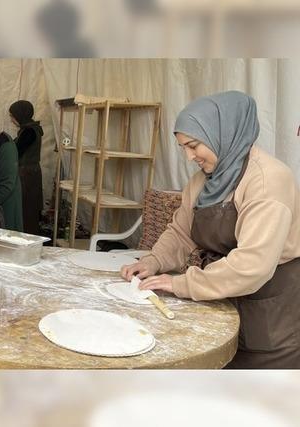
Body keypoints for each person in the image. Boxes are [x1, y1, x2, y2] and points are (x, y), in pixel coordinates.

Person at [121, 91, 300, 368]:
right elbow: (182, 231)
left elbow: (253, 265)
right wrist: (153, 261)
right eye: (183, 148)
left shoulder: (268, 181)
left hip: (269, 312)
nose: (190, 156)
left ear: (223, 133)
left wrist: (181, 283)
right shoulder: (205, 180)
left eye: (193, 145)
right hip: (222, 294)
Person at [9, 100, 44, 235]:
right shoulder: (29, 130)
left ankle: (26, 239)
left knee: (27, 209)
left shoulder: (29, 132)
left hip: (27, 176)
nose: (12, 120)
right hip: (29, 173)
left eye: (13, 116)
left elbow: (16, 151)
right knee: (28, 208)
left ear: (20, 115)